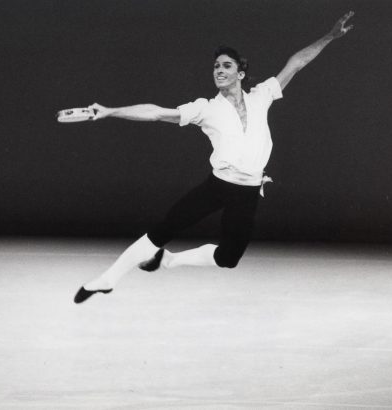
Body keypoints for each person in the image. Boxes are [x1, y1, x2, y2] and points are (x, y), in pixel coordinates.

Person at [73, 11, 354, 303]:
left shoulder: (262, 96)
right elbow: (156, 112)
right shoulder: (204, 108)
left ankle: (168, 261)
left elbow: (297, 62)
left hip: (248, 191)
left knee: (229, 258)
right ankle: (108, 279)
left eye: (226, 66)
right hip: (218, 186)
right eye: (216, 66)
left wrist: (330, 35)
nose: (219, 70)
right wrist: (110, 111)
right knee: (163, 229)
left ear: (240, 74)